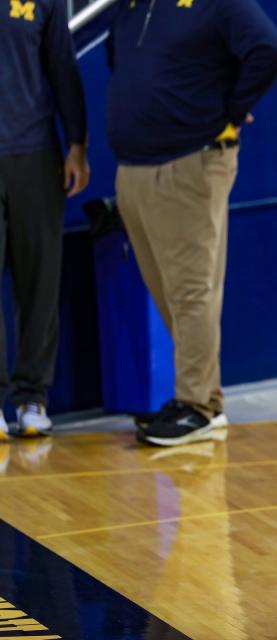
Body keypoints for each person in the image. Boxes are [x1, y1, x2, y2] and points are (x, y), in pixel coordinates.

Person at [105, 0, 277, 446]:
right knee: (168, 288)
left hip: (190, 162)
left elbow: (269, 48)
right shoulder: (130, 9)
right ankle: (200, 396)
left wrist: (227, 109)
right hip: (134, 166)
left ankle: (198, 407)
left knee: (191, 289)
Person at [0, 0, 89, 438]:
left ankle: (32, 397)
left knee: (39, 282)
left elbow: (62, 66)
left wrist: (77, 143)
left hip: (34, 154)